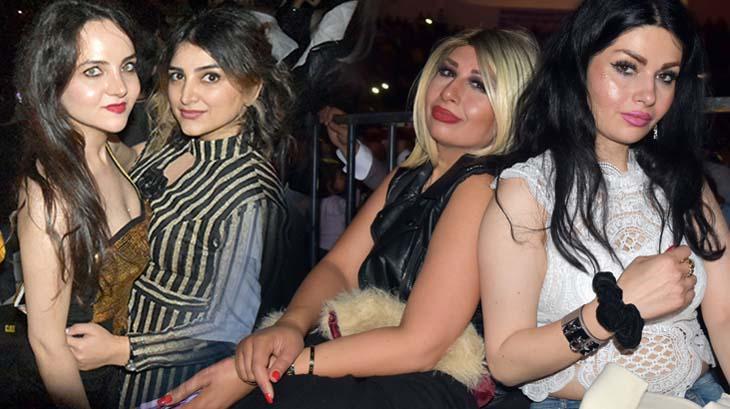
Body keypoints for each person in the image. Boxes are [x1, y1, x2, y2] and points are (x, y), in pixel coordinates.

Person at [163, 27, 539, 409]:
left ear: (511, 106)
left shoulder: (481, 187)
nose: (450, 93)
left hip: (426, 380)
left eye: (479, 85)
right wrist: (291, 325)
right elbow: (339, 268)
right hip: (372, 355)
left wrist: (280, 365)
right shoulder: (410, 175)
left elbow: (420, 344)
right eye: (447, 72)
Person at [479, 0, 730, 408]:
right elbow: (507, 361)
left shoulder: (685, 181)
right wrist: (613, 310)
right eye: (626, 67)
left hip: (697, 398)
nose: (647, 95)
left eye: (665, 76)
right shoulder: (528, 190)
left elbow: (724, 316)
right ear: (579, 66)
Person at [64, 7, 295, 407]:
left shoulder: (250, 193)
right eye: (177, 76)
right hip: (107, 367)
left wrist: (121, 350)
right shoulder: (172, 148)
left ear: (253, 88)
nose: (186, 96)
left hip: (171, 388)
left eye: (210, 77)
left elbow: (230, 326)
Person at [12, 1, 149, 407]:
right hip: (76, 383)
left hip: (119, 372)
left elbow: (146, 156)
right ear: (51, 81)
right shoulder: (51, 196)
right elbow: (48, 345)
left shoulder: (110, 148)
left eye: (127, 66)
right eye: (93, 71)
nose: (120, 87)